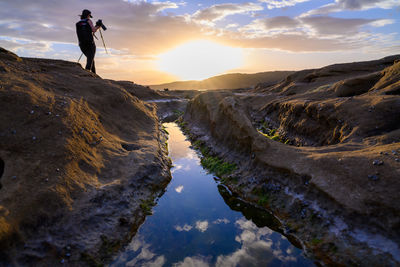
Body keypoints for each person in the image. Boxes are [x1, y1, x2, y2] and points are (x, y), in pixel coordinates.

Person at [76, 9, 101, 73]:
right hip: (90, 44)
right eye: (89, 16)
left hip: (82, 44)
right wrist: (98, 26)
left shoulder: (78, 23)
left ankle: (94, 74)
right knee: (90, 59)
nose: (89, 17)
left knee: (90, 59)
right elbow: (94, 30)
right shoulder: (89, 21)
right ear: (88, 15)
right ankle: (87, 73)